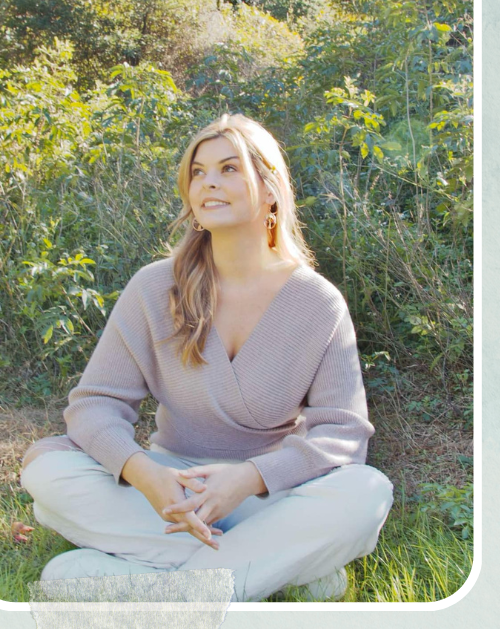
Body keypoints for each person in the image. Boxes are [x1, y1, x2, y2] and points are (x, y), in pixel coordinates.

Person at [20, 113, 393, 601]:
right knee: (48, 472)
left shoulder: (318, 302)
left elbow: (342, 433)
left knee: (364, 494)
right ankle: (281, 567)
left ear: (272, 187)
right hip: (167, 492)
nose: (208, 183)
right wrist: (142, 471)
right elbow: (93, 405)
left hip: (267, 495)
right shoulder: (156, 286)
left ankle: (165, 589)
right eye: (198, 172)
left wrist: (250, 478)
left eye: (229, 168)